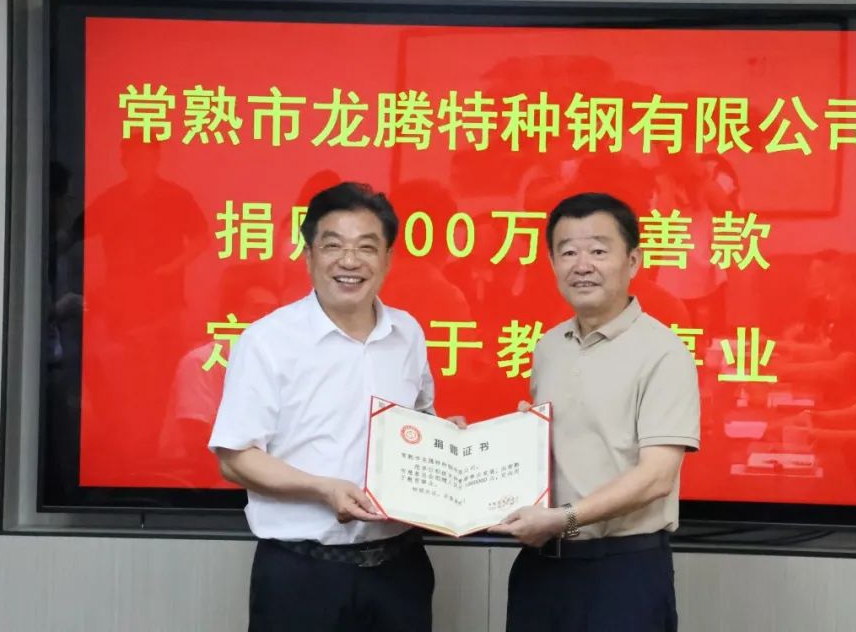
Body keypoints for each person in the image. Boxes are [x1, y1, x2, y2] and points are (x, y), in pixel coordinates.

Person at [209, 182, 454, 631]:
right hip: (302, 574)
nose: (350, 261)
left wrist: (446, 441)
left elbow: (419, 420)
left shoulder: (408, 334)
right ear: (309, 256)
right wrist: (323, 489)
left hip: (399, 570)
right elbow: (235, 458)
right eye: (333, 245)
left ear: (387, 259)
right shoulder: (267, 341)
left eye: (366, 247)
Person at [490, 192, 700, 632]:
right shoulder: (549, 347)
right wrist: (502, 442)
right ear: (552, 263)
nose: (582, 265)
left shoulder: (663, 352)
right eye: (568, 252)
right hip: (542, 570)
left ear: (633, 261)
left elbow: (656, 478)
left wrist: (562, 518)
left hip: (622, 573)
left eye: (599, 251)